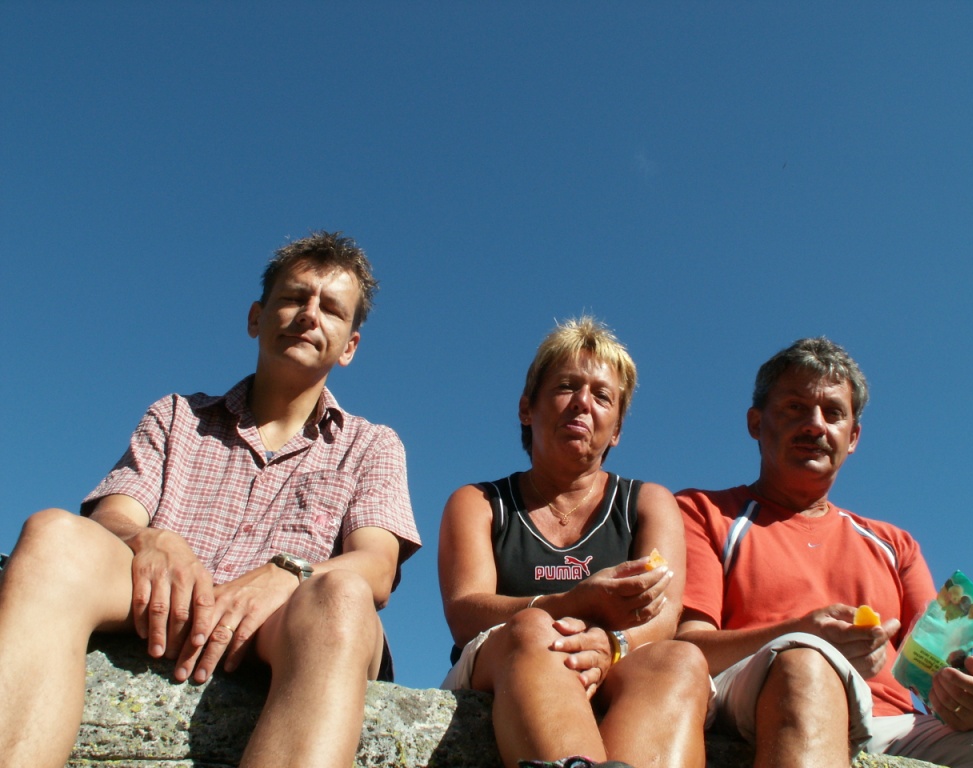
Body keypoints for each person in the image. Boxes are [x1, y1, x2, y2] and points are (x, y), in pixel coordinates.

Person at [0, 231, 421, 768]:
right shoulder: (177, 415)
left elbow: (377, 566)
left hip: (284, 622)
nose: (309, 315)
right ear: (256, 317)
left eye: (331, 309)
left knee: (342, 596)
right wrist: (150, 539)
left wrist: (289, 572)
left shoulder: (372, 444)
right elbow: (114, 516)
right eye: (294, 297)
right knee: (53, 535)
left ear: (350, 346)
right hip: (156, 594)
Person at [676, 337, 973, 768]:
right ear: (756, 422)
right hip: (759, 699)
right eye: (795, 407)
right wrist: (801, 633)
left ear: (853, 436)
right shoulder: (703, 512)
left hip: (894, 725)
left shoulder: (896, 544)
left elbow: (936, 664)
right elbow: (689, 647)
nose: (815, 425)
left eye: (833, 413)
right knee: (806, 660)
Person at [438, 317, 710, 768]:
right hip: (500, 665)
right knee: (533, 629)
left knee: (679, 659)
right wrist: (572, 602)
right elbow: (465, 614)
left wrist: (612, 644)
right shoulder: (480, 503)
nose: (583, 403)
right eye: (566, 386)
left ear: (616, 429)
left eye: (603, 396)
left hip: (617, 664)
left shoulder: (647, 502)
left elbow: (663, 616)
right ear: (527, 408)